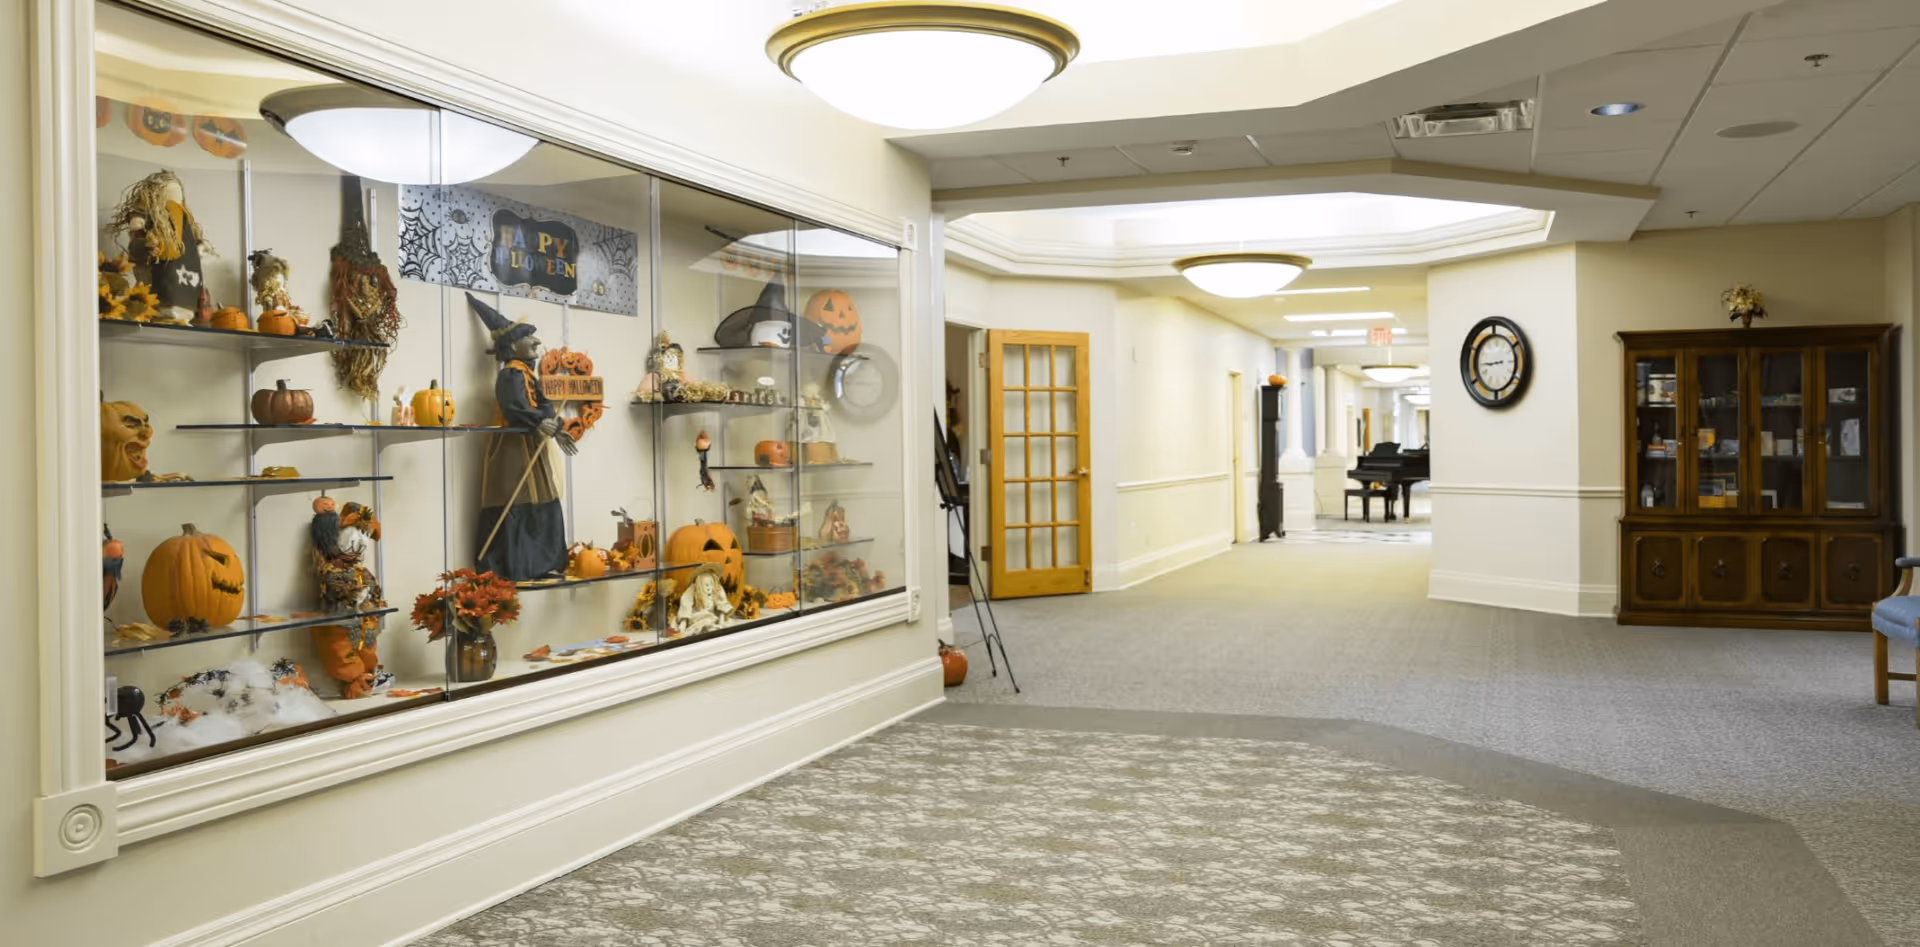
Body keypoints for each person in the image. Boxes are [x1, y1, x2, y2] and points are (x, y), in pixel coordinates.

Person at [469, 293, 577, 580]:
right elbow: (514, 407)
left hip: (532, 443)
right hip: (513, 446)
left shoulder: (528, 375)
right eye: (530, 338)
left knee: (543, 498)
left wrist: (553, 424)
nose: (537, 343)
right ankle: (512, 565)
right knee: (513, 501)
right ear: (513, 345)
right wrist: (540, 422)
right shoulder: (510, 375)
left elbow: (542, 403)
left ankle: (542, 562)